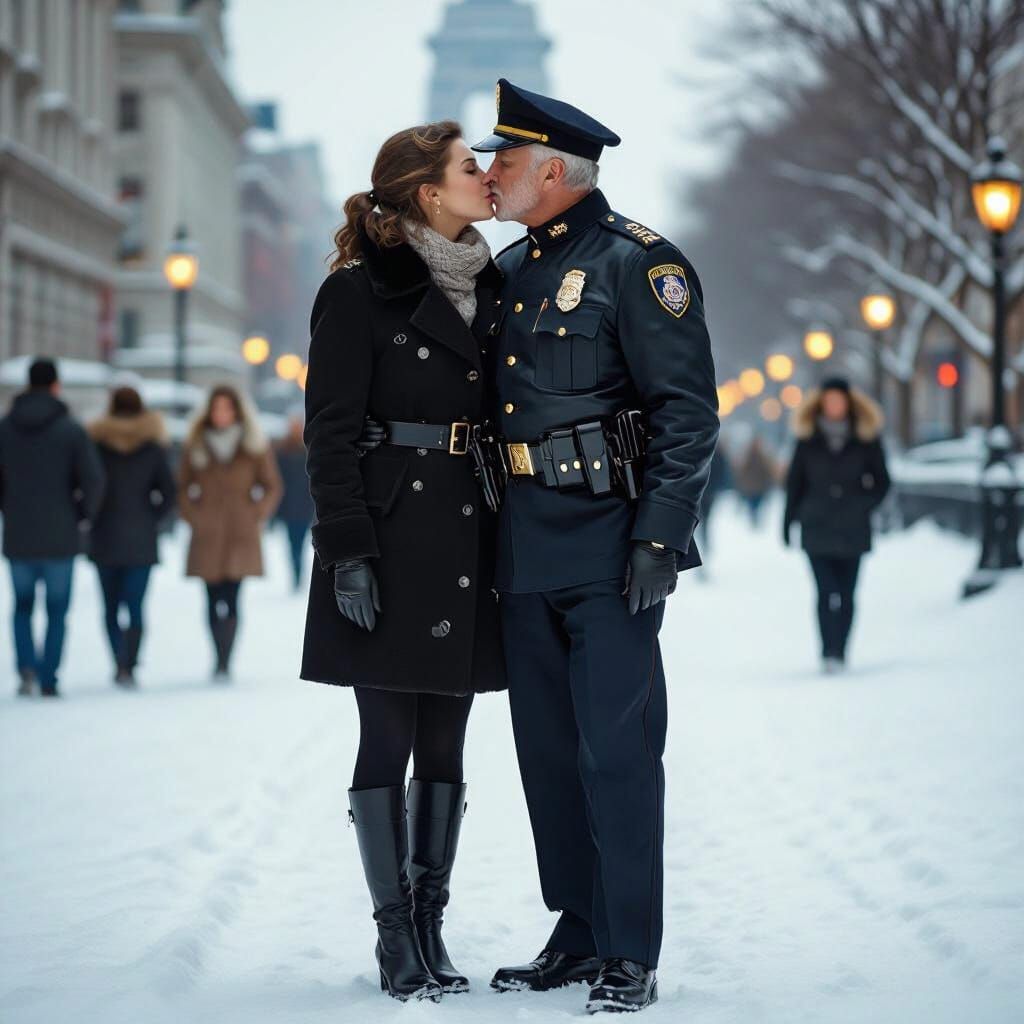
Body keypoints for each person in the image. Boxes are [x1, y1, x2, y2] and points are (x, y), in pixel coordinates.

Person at [472, 80, 719, 1013]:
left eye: (504, 159)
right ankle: (576, 930)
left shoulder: (640, 266)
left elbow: (687, 413)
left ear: (552, 171)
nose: (491, 173)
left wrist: (662, 533)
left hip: (613, 547)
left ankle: (629, 950)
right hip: (524, 545)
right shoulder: (512, 270)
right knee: (546, 754)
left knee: (616, 756)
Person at [301, 120, 506, 1003]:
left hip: (468, 532)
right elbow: (329, 434)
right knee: (386, 735)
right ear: (428, 191)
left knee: (448, 740)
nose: (487, 177)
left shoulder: (492, 287)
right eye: (470, 167)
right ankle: (394, 937)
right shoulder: (356, 292)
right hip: (386, 539)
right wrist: (348, 551)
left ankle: (430, 922)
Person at [0, 358, 104, 697]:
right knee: (57, 609)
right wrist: (81, 513)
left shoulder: (5, 427)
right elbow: (93, 480)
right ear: (56, 385)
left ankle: (27, 667)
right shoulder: (70, 429)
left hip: (18, 532)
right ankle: (49, 676)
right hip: (60, 533)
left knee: (22, 606)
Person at [783, 377, 890, 673]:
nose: (834, 405)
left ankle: (841, 650)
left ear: (848, 402)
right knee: (824, 592)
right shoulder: (807, 440)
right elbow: (795, 484)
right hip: (816, 527)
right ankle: (827, 651)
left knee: (846, 594)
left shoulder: (866, 438)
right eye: (828, 399)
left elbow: (882, 482)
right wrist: (788, 521)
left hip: (853, 529)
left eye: (838, 399)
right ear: (820, 403)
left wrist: (861, 505)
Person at [178, 385, 282, 680]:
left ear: (236, 411)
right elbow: (182, 486)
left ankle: (226, 658)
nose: (222, 414)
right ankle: (217, 655)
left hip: (240, 532)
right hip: (208, 532)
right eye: (217, 408)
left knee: (233, 598)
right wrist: (193, 516)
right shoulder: (196, 443)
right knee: (211, 599)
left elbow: (272, 485)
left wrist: (256, 513)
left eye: (227, 408)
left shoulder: (253, 444)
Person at [88, 386, 176, 686]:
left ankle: (118, 660)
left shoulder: (96, 444)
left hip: (104, 535)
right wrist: (153, 518)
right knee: (135, 606)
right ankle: (131, 662)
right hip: (141, 537)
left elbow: (87, 486)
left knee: (110, 607)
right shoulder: (152, 447)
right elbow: (168, 492)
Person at [273, 412, 314, 591]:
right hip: (290, 507)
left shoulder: (309, 449)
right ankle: (296, 574)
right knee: (293, 544)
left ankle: (300, 572)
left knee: (303, 543)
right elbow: (277, 481)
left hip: (305, 507)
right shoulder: (281, 451)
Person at [733, 434, 777, 527]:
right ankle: (754, 520)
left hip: (756, 488)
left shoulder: (760, 457)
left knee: (755, 505)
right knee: (753, 505)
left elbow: (766, 472)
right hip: (753, 487)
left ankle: (754, 519)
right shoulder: (752, 456)